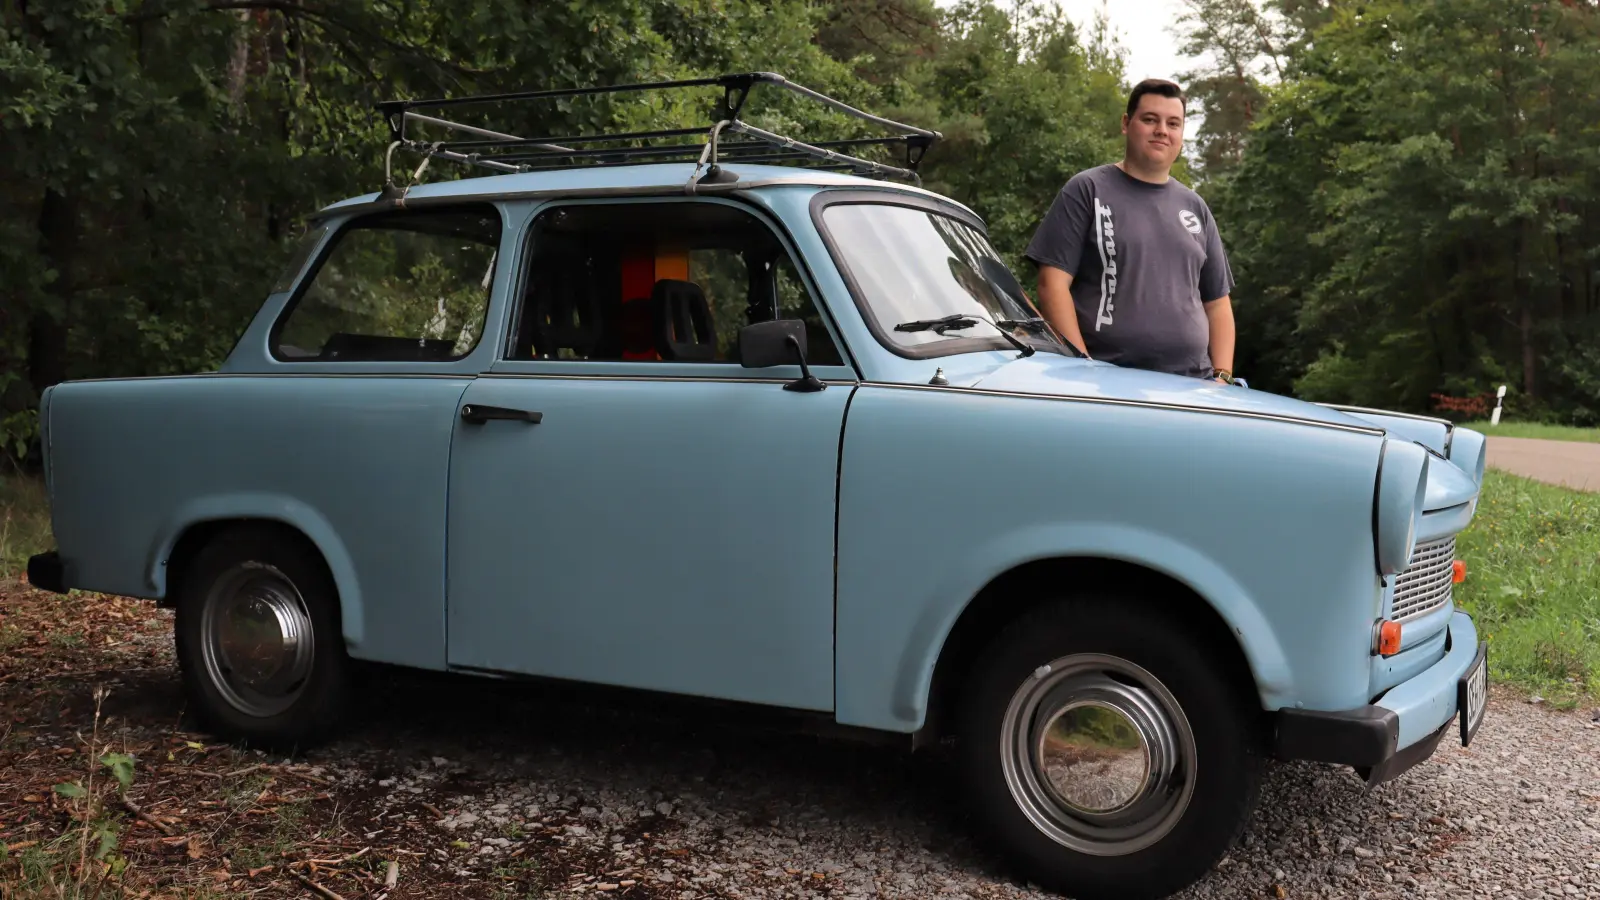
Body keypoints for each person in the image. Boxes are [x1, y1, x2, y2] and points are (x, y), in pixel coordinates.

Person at [1023, 78, 1238, 384]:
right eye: (1150, 119)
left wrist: (1223, 376)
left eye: (1173, 123)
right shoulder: (1087, 190)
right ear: (1126, 123)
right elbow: (1052, 284)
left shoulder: (1195, 207)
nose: (1162, 130)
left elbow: (1217, 304)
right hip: (1107, 383)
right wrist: (1082, 366)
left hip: (1194, 386)